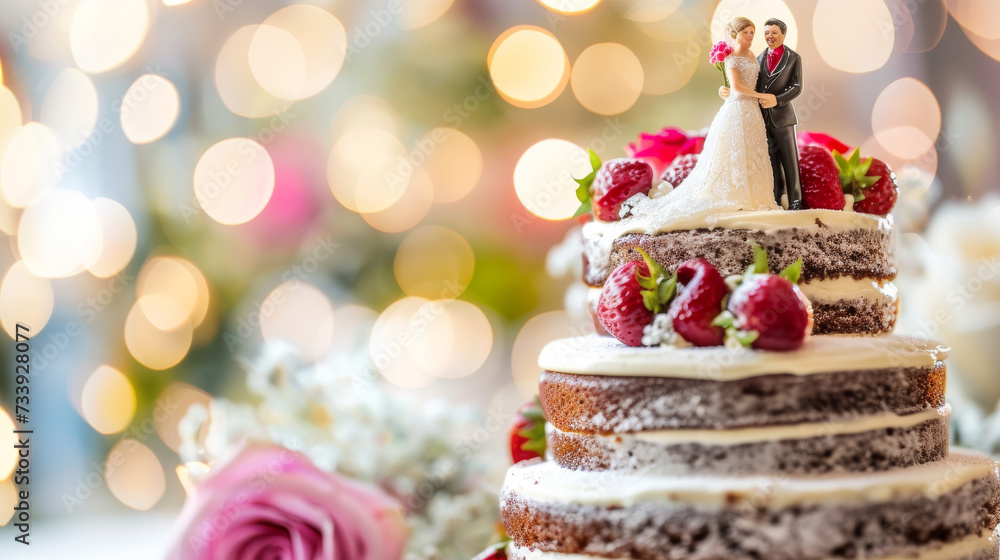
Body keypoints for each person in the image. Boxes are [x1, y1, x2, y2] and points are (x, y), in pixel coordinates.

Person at [644, 17, 777, 221]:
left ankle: (755, 197)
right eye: (745, 33)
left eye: (752, 32)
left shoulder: (752, 55)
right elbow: (737, 87)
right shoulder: (731, 58)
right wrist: (760, 96)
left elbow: (752, 82)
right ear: (736, 35)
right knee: (732, 152)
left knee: (753, 151)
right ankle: (734, 194)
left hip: (752, 112)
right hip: (738, 109)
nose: (750, 36)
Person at [721, 18, 804, 209]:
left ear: (783, 34)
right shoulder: (756, 58)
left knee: (790, 161)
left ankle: (796, 201)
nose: (770, 36)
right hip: (759, 118)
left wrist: (778, 99)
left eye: (774, 32)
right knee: (770, 161)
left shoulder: (793, 58)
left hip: (783, 118)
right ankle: (774, 198)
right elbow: (746, 83)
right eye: (766, 33)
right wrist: (726, 90)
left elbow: (797, 86)